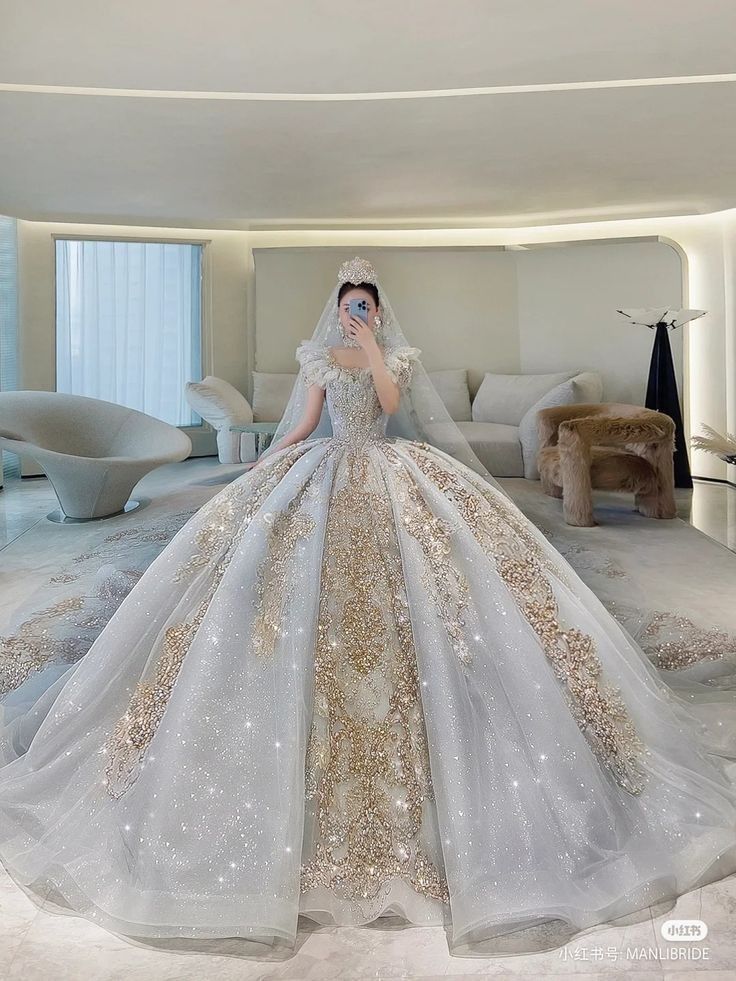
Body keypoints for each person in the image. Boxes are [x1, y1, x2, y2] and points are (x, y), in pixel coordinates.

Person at [0, 256, 735, 959]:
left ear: (379, 309)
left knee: (445, 592)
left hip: (387, 466)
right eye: (350, 304)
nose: (357, 312)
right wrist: (267, 459)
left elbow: (388, 408)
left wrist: (375, 348)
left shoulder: (396, 358)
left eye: (368, 305)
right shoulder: (318, 359)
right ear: (338, 304)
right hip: (324, 470)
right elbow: (305, 421)